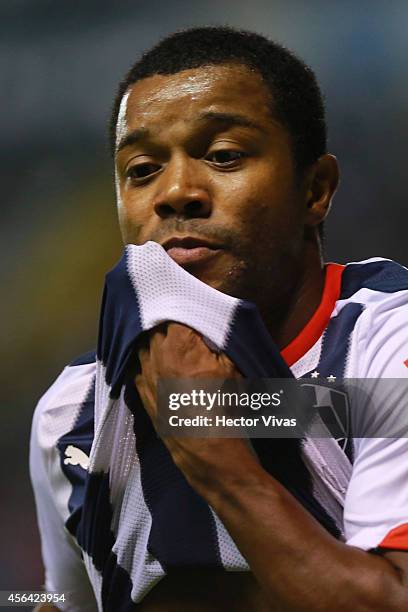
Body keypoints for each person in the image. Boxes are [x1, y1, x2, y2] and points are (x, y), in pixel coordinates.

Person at [30, 26, 408, 612]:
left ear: (316, 189)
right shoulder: (70, 414)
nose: (176, 191)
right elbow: (57, 602)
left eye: (223, 156)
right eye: (142, 169)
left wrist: (215, 453)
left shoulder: (385, 346)